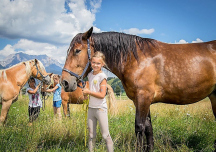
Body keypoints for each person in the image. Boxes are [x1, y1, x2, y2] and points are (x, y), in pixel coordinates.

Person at [82, 51, 114, 152]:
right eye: (94, 62)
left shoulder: (102, 76)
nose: (95, 65)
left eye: (98, 63)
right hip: (91, 108)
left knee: (105, 135)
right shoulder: (90, 74)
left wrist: (89, 92)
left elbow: (101, 95)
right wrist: (85, 95)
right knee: (91, 134)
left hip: (100, 109)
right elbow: (90, 88)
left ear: (102, 64)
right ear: (91, 62)